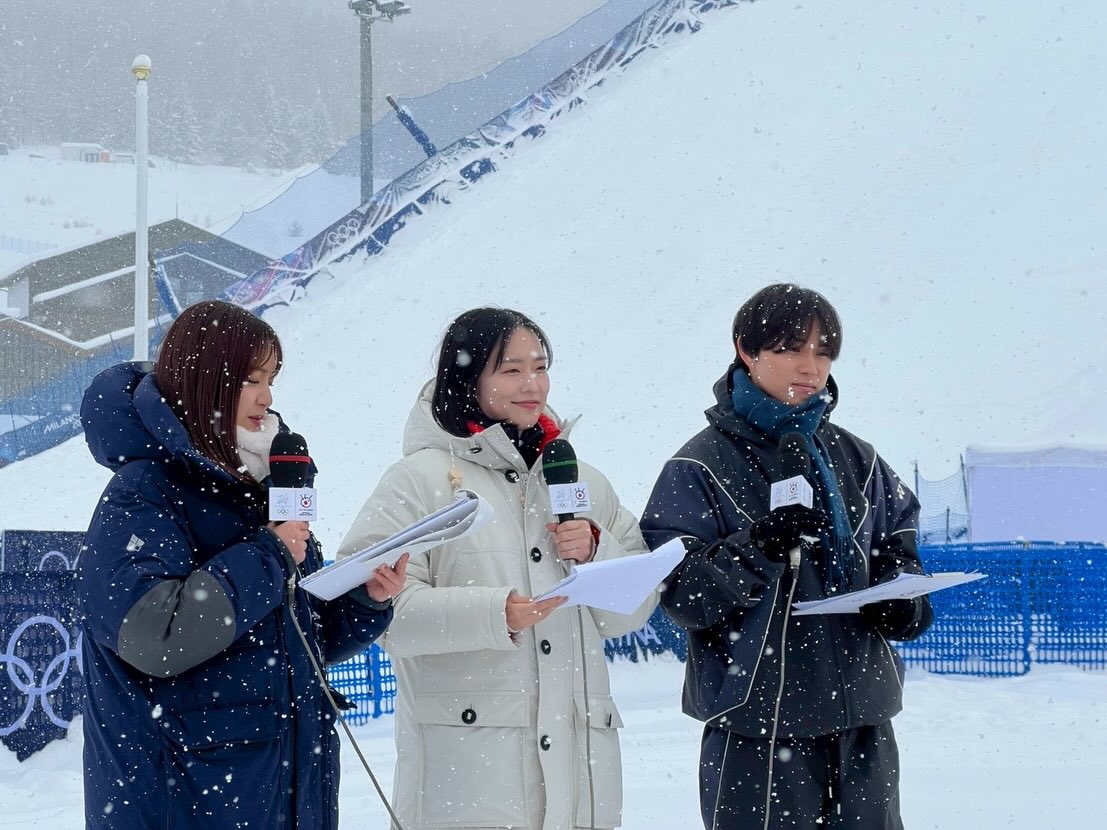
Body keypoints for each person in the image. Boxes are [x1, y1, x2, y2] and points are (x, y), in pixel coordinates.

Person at [77, 300, 407, 830]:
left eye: (271, 379)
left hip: (282, 795)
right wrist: (268, 556)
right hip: (188, 801)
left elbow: (298, 636)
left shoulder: (262, 488)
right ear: (205, 381)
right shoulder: (142, 493)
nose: (267, 397)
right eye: (251, 379)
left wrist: (365, 600)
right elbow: (155, 636)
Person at [337, 307, 657, 830]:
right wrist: (493, 614)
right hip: (469, 789)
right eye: (511, 370)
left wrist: (598, 553)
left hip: (583, 793)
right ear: (468, 380)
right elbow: (378, 615)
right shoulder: (420, 481)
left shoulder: (583, 482)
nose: (533, 384)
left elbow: (633, 612)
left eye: (540, 367)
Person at [639, 284, 933, 829]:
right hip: (757, 726)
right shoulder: (698, 467)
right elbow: (680, 594)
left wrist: (903, 600)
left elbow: (900, 545)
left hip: (863, 721)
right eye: (790, 349)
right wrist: (757, 549)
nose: (810, 367)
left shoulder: (858, 458)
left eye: (823, 352)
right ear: (745, 351)